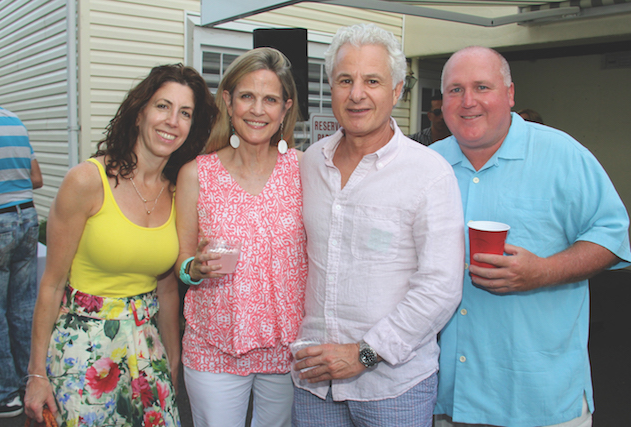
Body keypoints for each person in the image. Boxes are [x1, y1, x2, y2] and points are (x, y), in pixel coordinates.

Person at [431, 46, 631, 427]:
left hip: (538, 398)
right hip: (450, 398)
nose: (468, 101)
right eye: (455, 90)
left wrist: (543, 271)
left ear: (509, 94)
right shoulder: (428, 164)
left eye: (482, 87)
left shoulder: (562, 155)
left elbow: (613, 234)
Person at [24, 63, 217, 426]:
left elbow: (167, 289)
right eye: (163, 106)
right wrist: (36, 374)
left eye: (185, 113)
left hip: (148, 350)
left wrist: (172, 364)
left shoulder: (178, 193)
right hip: (82, 351)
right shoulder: (87, 181)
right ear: (140, 111)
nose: (172, 120)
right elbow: (50, 285)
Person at [291, 23, 465, 427]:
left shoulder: (428, 173)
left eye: (372, 80)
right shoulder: (310, 163)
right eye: (345, 80)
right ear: (330, 87)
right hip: (314, 381)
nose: (356, 94)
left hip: (393, 386)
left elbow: (440, 287)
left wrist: (364, 353)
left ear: (398, 90)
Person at [175, 47, 307, 427]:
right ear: (229, 102)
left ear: (285, 109)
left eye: (270, 100)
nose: (257, 110)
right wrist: (195, 268)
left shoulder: (302, 169)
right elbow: (181, 266)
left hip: (287, 350)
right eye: (247, 96)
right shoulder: (196, 175)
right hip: (215, 345)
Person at [0, 102, 43, 419]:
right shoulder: (13, 120)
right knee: (23, 306)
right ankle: (29, 383)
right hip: (26, 217)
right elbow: (35, 177)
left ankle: (3, 393)